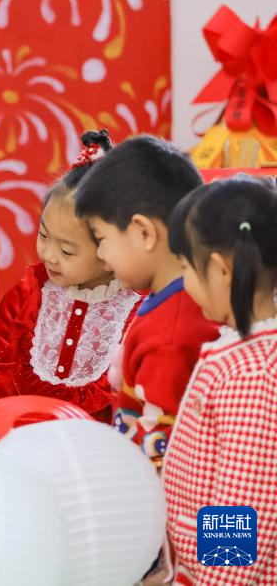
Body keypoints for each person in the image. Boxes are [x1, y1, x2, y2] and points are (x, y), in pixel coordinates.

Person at [0, 131, 142, 421]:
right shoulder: (27, 297)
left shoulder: (136, 314)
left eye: (67, 250)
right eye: (44, 236)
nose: (48, 254)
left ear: (113, 251)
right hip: (20, 437)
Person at [73, 135, 218, 467]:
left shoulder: (173, 332)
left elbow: (164, 449)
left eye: (101, 238)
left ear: (144, 232)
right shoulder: (169, 300)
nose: (101, 255)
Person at [163, 176, 277, 585]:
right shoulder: (243, 355)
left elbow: (239, 515)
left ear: (220, 269)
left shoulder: (251, 375)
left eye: (185, 268)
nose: (184, 283)